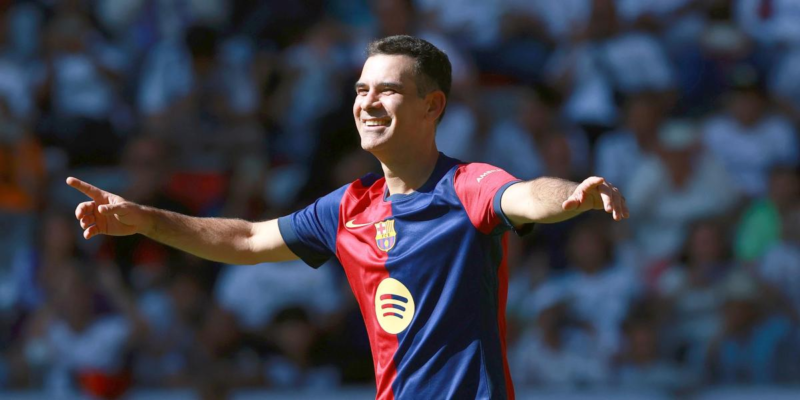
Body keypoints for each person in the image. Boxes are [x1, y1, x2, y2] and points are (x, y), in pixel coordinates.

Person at [66, 35, 628, 400]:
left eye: (388, 90)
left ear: (432, 106)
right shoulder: (346, 207)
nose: (367, 102)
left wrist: (572, 196)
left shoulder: (467, 185)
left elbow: (525, 196)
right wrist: (147, 220)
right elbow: (246, 238)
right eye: (362, 89)